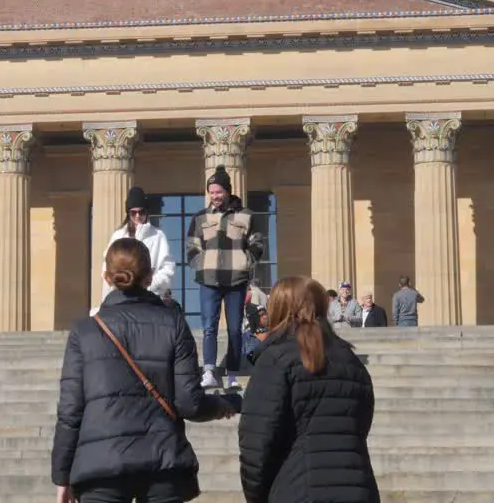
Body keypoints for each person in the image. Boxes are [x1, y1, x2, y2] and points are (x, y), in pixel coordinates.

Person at [52, 238, 235, 503]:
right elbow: (189, 403)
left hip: (100, 466)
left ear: (107, 277)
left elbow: (70, 411)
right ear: (150, 278)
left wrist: (62, 476)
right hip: (163, 464)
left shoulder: (85, 331)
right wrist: (221, 405)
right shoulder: (174, 324)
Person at [238, 276, 379, 502]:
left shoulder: (275, 359)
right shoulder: (351, 361)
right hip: (358, 489)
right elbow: (360, 427)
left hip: (298, 489)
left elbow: (256, 444)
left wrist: (258, 496)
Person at [185, 166, 266, 390]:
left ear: (228, 191)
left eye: (219, 191)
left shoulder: (246, 215)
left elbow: (257, 243)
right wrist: (199, 265)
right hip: (208, 280)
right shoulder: (200, 217)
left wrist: (245, 262)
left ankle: (232, 374)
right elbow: (192, 245)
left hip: (236, 280)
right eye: (211, 192)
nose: (215, 196)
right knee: (209, 328)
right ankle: (209, 370)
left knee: (234, 329)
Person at [95, 187, 175, 311]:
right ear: (128, 213)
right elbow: (107, 267)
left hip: (149, 300)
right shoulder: (118, 236)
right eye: (133, 212)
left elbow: (168, 269)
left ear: (146, 212)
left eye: (141, 212)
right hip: (121, 300)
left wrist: (150, 284)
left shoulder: (158, 236)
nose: (137, 216)